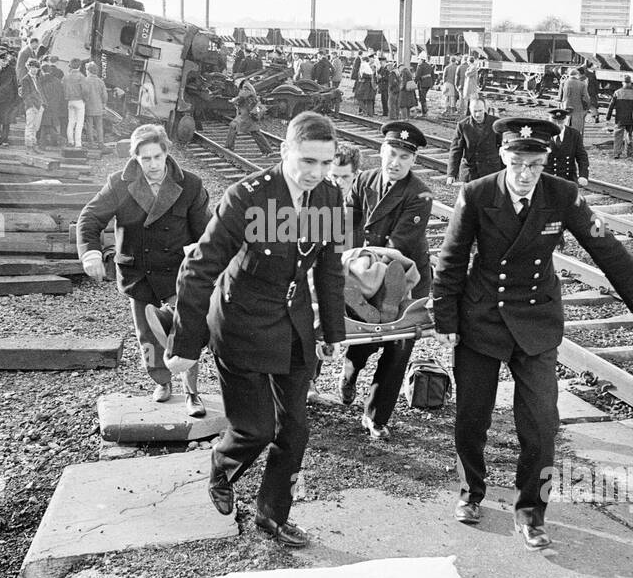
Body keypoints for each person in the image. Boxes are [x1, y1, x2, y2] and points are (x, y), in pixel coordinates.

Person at [433, 116, 633, 548]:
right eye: (517, 162)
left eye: (535, 164)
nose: (525, 174)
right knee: (472, 418)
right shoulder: (476, 193)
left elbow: (607, 249)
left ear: (546, 160)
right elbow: (451, 261)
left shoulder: (562, 195)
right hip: (482, 318)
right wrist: (447, 322)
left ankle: (532, 511)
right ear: (503, 156)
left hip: (536, 320)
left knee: (543, 425)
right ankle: (470, 491)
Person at [164, 113, 346, 548]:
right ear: (284, 151)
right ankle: (222, 468)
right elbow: (196, 271)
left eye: (326, 163)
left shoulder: (331, 198)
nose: (316, 173)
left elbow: (330, 269)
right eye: (307, 161)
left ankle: (272, 514)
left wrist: (333, 332)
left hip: (293, 321)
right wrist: (186, 344)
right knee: (255, 429)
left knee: (295, 428)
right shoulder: (247, 198)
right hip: (241, 321)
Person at [80, 124, 211, 416]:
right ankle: (162, 381)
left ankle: (192, 393)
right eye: (145, 159)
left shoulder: (190, 185)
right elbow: (90, 217)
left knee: (186, 332)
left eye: (157, 157)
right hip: (138, 274)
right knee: (147, 337)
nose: (152, 165)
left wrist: (200, 251)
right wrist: (91, 252)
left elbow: (207, 230)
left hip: (177, 273)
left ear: (167, 153)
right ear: (135, 158)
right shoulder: (119, 184)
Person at [341, 122, 434, 439]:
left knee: (399, 345)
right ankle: (352, 369)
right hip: (363, 276)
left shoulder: (419, 194)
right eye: (391, 154)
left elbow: (397, 247)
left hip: (403, 279)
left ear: (413, 162)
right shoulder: (363, 180)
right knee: (365, 336)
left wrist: (356, 260)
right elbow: (345, 225)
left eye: (403, 158)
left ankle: (376, 417)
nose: (395, 163)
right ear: (380, 152)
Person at [308, 142, 361, 404]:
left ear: (355, 177)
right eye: (334, 176)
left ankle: (350, 373)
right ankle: (310, 380)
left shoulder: (358, 206)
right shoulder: (318, 204)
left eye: (345, 177)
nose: (339, 182)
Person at [446, 97, 502, 184]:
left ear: (485, 109)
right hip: (471, 173)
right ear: (469, 110)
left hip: (491, 172)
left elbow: (504, 147)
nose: (477, 115)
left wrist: (506, 171)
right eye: (474, 111)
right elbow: (456, 150)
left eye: (480, 111)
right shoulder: (463, 125)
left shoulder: (496, 123)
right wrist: (451, 174)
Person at [224, 80, 273, 156]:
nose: (235, 84)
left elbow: (243, 96)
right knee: (254, 132)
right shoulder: (248, 86)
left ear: (239, 81)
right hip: (249, 113)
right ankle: (268, 151)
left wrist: (234, 100)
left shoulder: (245, 87)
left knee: (234, 126)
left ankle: (229, 147)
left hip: (247, 114)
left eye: (236, 82)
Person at [546, 107, 590, 184]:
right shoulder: (543, 134)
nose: (557, 124)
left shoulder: (574, 134)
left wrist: (583, 175)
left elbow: (582, 157)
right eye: (554, 121)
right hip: (547, 179)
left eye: (560, 122)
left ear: (566, 121)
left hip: (568, 179)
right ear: (549, 120)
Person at [607, 75, 633, 159]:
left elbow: (611, 105)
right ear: (630, 82)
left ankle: (616, 153)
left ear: (622, 83)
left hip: (620, 119)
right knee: (629, 135)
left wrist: (608, 116)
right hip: (631, 118)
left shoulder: (617, 92)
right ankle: (629, 153)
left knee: (618, 135)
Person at [19, 58, 46, 150]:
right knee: (30, 125)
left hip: (39, 105)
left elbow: (40, 92)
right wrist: (31, 106)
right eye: (32, 67)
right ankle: (29, 145)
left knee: (36, 127)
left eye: (36, 68)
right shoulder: (26, 79)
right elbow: (25, 94)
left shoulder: (38, 79)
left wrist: (43, 104)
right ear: (28, 68)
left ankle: (33, 144)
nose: (34, 69)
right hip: (31, 106)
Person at [79, 61, 108, 147]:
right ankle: (100, 143)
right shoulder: (100, 81)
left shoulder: (85, 80)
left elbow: (83, 93)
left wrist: (84, 100)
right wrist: (104, 104)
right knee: (99, 125)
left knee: (89, 125)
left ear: (88, 70)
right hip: (98, 107)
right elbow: (105, 95)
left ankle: (91, 143)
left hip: (88, 106)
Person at [558, 67, 593, 135]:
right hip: (578, 107)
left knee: (566, 124)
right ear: (577, 75)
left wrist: (561, 105)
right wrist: (587, 107)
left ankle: (566, 140)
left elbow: (560, 97)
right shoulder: (582, 84)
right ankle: (577, 142)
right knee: (577, 126)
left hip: (565, 106)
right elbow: (586, 97)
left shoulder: (564, 82)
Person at [64, 59, 87, 148]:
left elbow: (64, 87)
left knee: (71, 122)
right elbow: (84, 90)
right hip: (79, 101)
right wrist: (85, 99)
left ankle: (70, 141)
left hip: (70, 101)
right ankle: (78, 143)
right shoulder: (81, 76)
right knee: (79, 123)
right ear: (80, 66)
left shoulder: (66, 76)